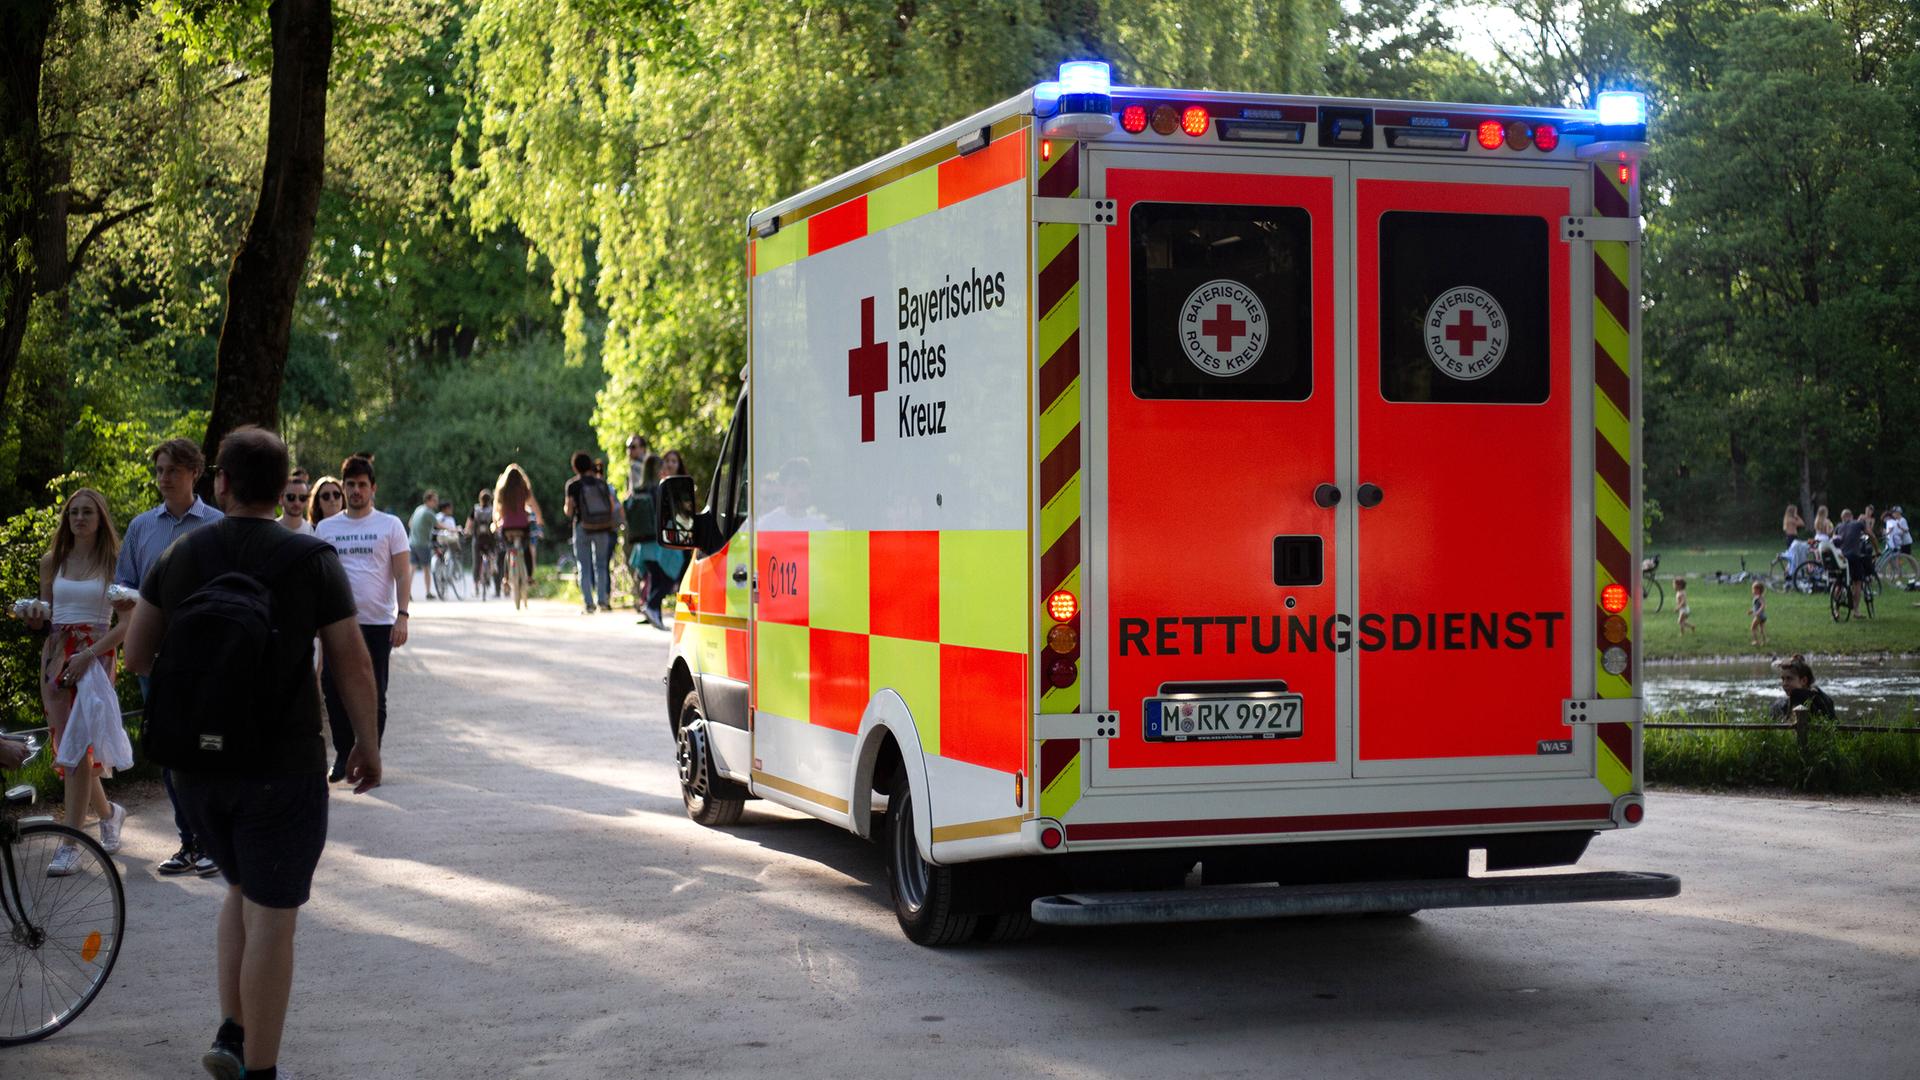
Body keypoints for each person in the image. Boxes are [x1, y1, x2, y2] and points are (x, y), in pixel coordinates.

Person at [123, 426, 383, 1080]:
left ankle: (235, 1034)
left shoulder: (182, 553)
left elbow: (136, 654)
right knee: (273, 913)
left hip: (198, 768)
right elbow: (351, 664)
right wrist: (366, 745)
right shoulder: (310, 559)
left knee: (240, 889)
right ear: (283, 488)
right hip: (282, 766)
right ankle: (259, 1071)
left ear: (222, 485)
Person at [116, 436, 224, 878]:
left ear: (194, 473)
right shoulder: (142, 527)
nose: (163, 479)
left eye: (172, 471)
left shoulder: (218, 525)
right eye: (159, 470)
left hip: (209, 658)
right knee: (169, 750)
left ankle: (213, 839)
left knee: (210, 745)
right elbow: (123, 586)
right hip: (158, 659)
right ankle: (188, 841)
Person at [29, 489, 131, 872]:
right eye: (73, 512)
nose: (80, 518)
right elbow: (46, 617)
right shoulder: (51, 562)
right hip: (57, 657)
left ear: (100, 518)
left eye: (87, 512)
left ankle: (71, 841)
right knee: (66, 745)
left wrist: (90, 655)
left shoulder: (114, 563)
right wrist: (34, 618)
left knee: (77, 746)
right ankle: (109, 814)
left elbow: (127, 625)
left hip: (95, 655)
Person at [314, 454, 410, 782]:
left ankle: (370, 756)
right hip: (336, 623)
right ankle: (343, 753)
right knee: (333, 689)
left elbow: (402, 572)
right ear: (344, 487)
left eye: (362, 485)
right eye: (351, 485)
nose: (356, 490)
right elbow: (316, 578)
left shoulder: (390, 525)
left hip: (378, 622)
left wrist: (403, 616)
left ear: (373, 489)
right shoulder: (326, 528)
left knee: (374, 694)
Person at [637, 449, 691, 629]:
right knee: (669, 577)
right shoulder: (661, 488)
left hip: (647, 542)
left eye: (672, 461)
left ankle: (655, 615)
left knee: (658, 578)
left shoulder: (642, 488)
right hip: (662, 542)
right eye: (665, 462)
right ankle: (651, 606)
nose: (668, 465)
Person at [565, 450, 618, 613]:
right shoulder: (601, 483)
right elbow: (611, 505)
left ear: (575, 468)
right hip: (602, 527)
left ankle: (588, 603)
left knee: (584, 565)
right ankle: (602, 600)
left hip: (583, 526)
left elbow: (568, 511)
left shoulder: (573, 485)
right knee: (602, 565)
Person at [493, 462, 543, 583]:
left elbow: (496, 509)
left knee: (508, 550)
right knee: (526, 550)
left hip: (507, 527)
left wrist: (495, 523)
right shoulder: (524, 489)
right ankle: (530, 577)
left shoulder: (502, 490)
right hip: (522, 526)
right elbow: (535, 507)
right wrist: (539, 520)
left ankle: (505, 577)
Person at [1770, 654, 1836, 721]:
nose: (1784, 684)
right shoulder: (1823, 697)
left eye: (1789, 679)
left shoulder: (1802, 697)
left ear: (1804, 680)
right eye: (1783, 679)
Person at [1833, 510, 1872, 611]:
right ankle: (1856, 610)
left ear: (1842, 518)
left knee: (1839, 582)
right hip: (1854, 556)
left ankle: (1835, 609)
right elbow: (1871, 535)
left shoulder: (1838, 526)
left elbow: (1833, 540)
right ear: (1851, 516)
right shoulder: (1858, 523)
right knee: (1857, 582)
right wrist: (1877, 549)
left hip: (1841, 558)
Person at [407, 490, 440, 601]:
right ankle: (428, 592)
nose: (436, 502)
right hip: (423, 544)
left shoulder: (418, 509)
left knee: (412, 568)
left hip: (412, 542)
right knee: (426, 568)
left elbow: (410, 523)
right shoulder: (428, 512)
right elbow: (439, 525)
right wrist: (454, 529)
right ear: (429, 500)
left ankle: (407, 592)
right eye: (435, 500)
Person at [465, 489, 497, 597]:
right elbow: (496, 523)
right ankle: (493, 560)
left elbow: (469, 523)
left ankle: (476, 585)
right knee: (493, 550)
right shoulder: (493, 510)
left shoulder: (475, 509)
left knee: (476, 562)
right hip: (490, 539)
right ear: (490, 500)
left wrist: (467, 532)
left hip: (478, 539)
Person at [1748, 581, 1767, 646]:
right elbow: (1756, 607)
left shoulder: (1759, 598)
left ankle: (1756, 641)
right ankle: (1764, 641)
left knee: (1753, 628)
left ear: (1758, 590)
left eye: (1753, 589)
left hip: (1759, 616)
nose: (1752, 591)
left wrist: (1757, 612)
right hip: (1763, 616)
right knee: (1761, 629)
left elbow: (1763, 605)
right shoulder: (1759, 597)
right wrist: (1752, 610)